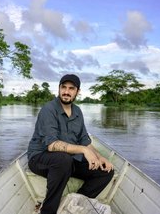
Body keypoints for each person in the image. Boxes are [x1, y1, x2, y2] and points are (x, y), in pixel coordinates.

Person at [27, 74, 114, 214]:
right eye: (64, 87)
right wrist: (84, 150)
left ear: (77, 91)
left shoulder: (78, 111)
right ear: (59, 88)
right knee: (63, 159)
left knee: (105, 171)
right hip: (40, 158)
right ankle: (48, 211)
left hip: (68, 160)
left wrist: (99, 158)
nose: (66, 91)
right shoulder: (48, 110)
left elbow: (84, 141)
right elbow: (52, 145)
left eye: (71, 88)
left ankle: (73, 203)